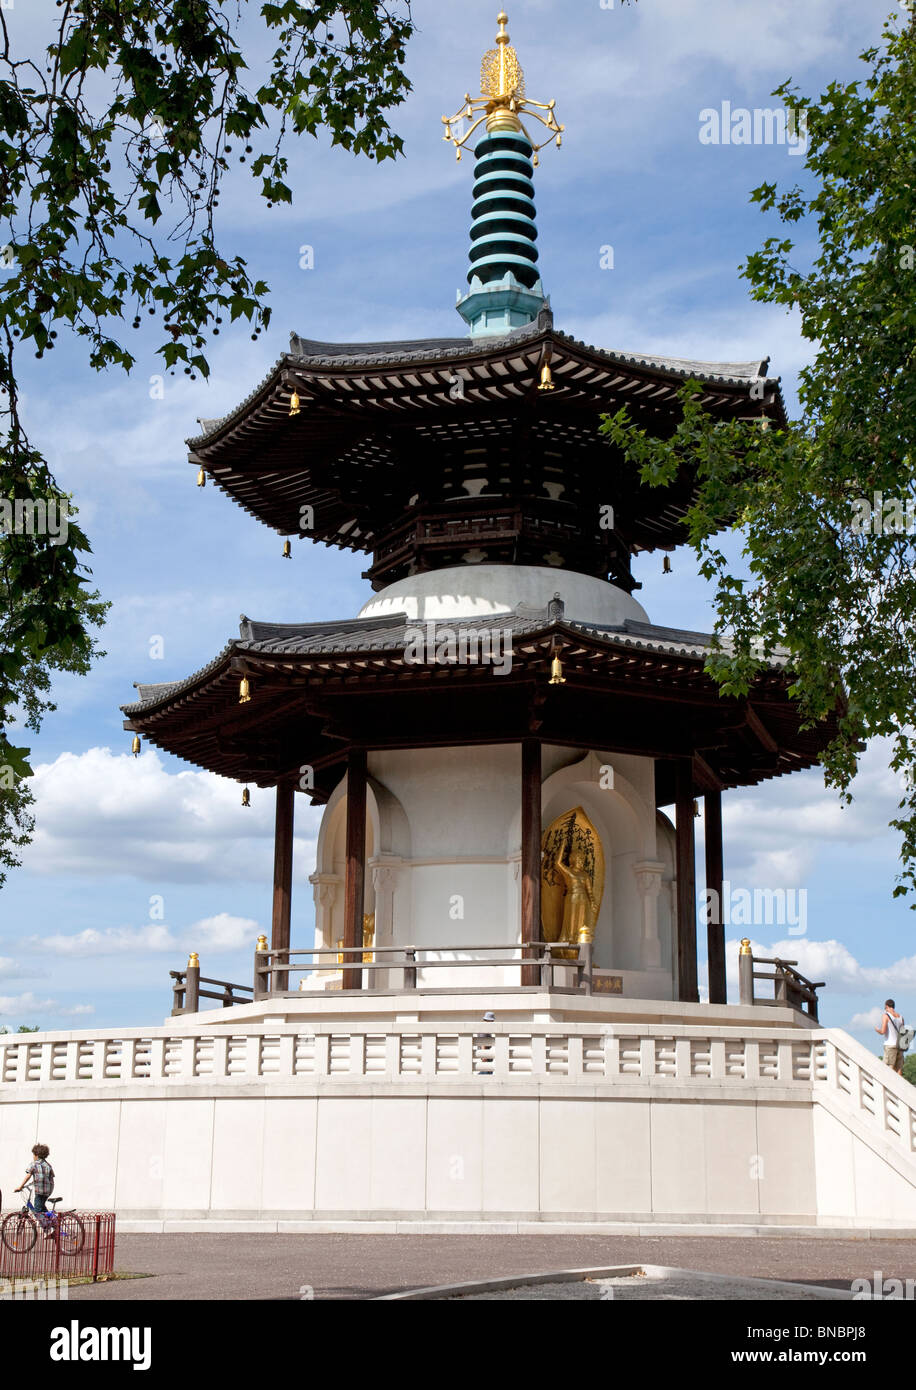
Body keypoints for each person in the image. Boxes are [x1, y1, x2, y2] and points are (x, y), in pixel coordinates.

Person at [14, 1143, 55, 1218]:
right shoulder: (48, 1165)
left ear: (37, 1155)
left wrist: (20, 1187)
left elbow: (28, 1176)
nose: (33, 1157)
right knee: (41, 1207)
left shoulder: (33, 1164)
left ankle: (48, 1223)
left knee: (37, 1211)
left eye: (33, 1154)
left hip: (39, 1192)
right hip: (48, 1191)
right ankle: (51, 1222)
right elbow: (51, 1176)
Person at [876, 999, 906, 1074]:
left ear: (887, 1006)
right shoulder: (901, 1017)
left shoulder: (886, 1016)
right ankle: (900, 1085)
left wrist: (877, 1030)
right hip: (899, 1045)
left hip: (890, 1045)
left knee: (889, 1067)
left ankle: (890, 1085)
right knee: (899, 1068)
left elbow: (883, 1031)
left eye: (885, 1008)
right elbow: (903, 1033)